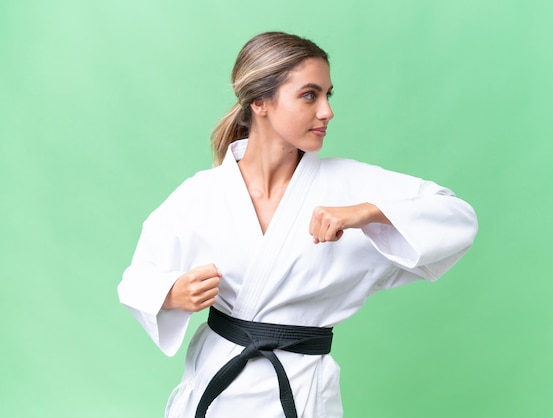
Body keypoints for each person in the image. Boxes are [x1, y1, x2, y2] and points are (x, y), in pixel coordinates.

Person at [118, 31, 478, 418]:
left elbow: (457, 217)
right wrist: (171, 293)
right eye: (309, 95)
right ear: (260, 102)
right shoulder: (202, 193)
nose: (327, 111)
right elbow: (136, 279)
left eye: (328, 95)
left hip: (301, 391)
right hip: (217, 386)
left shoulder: (348, 185)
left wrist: (367, 212)